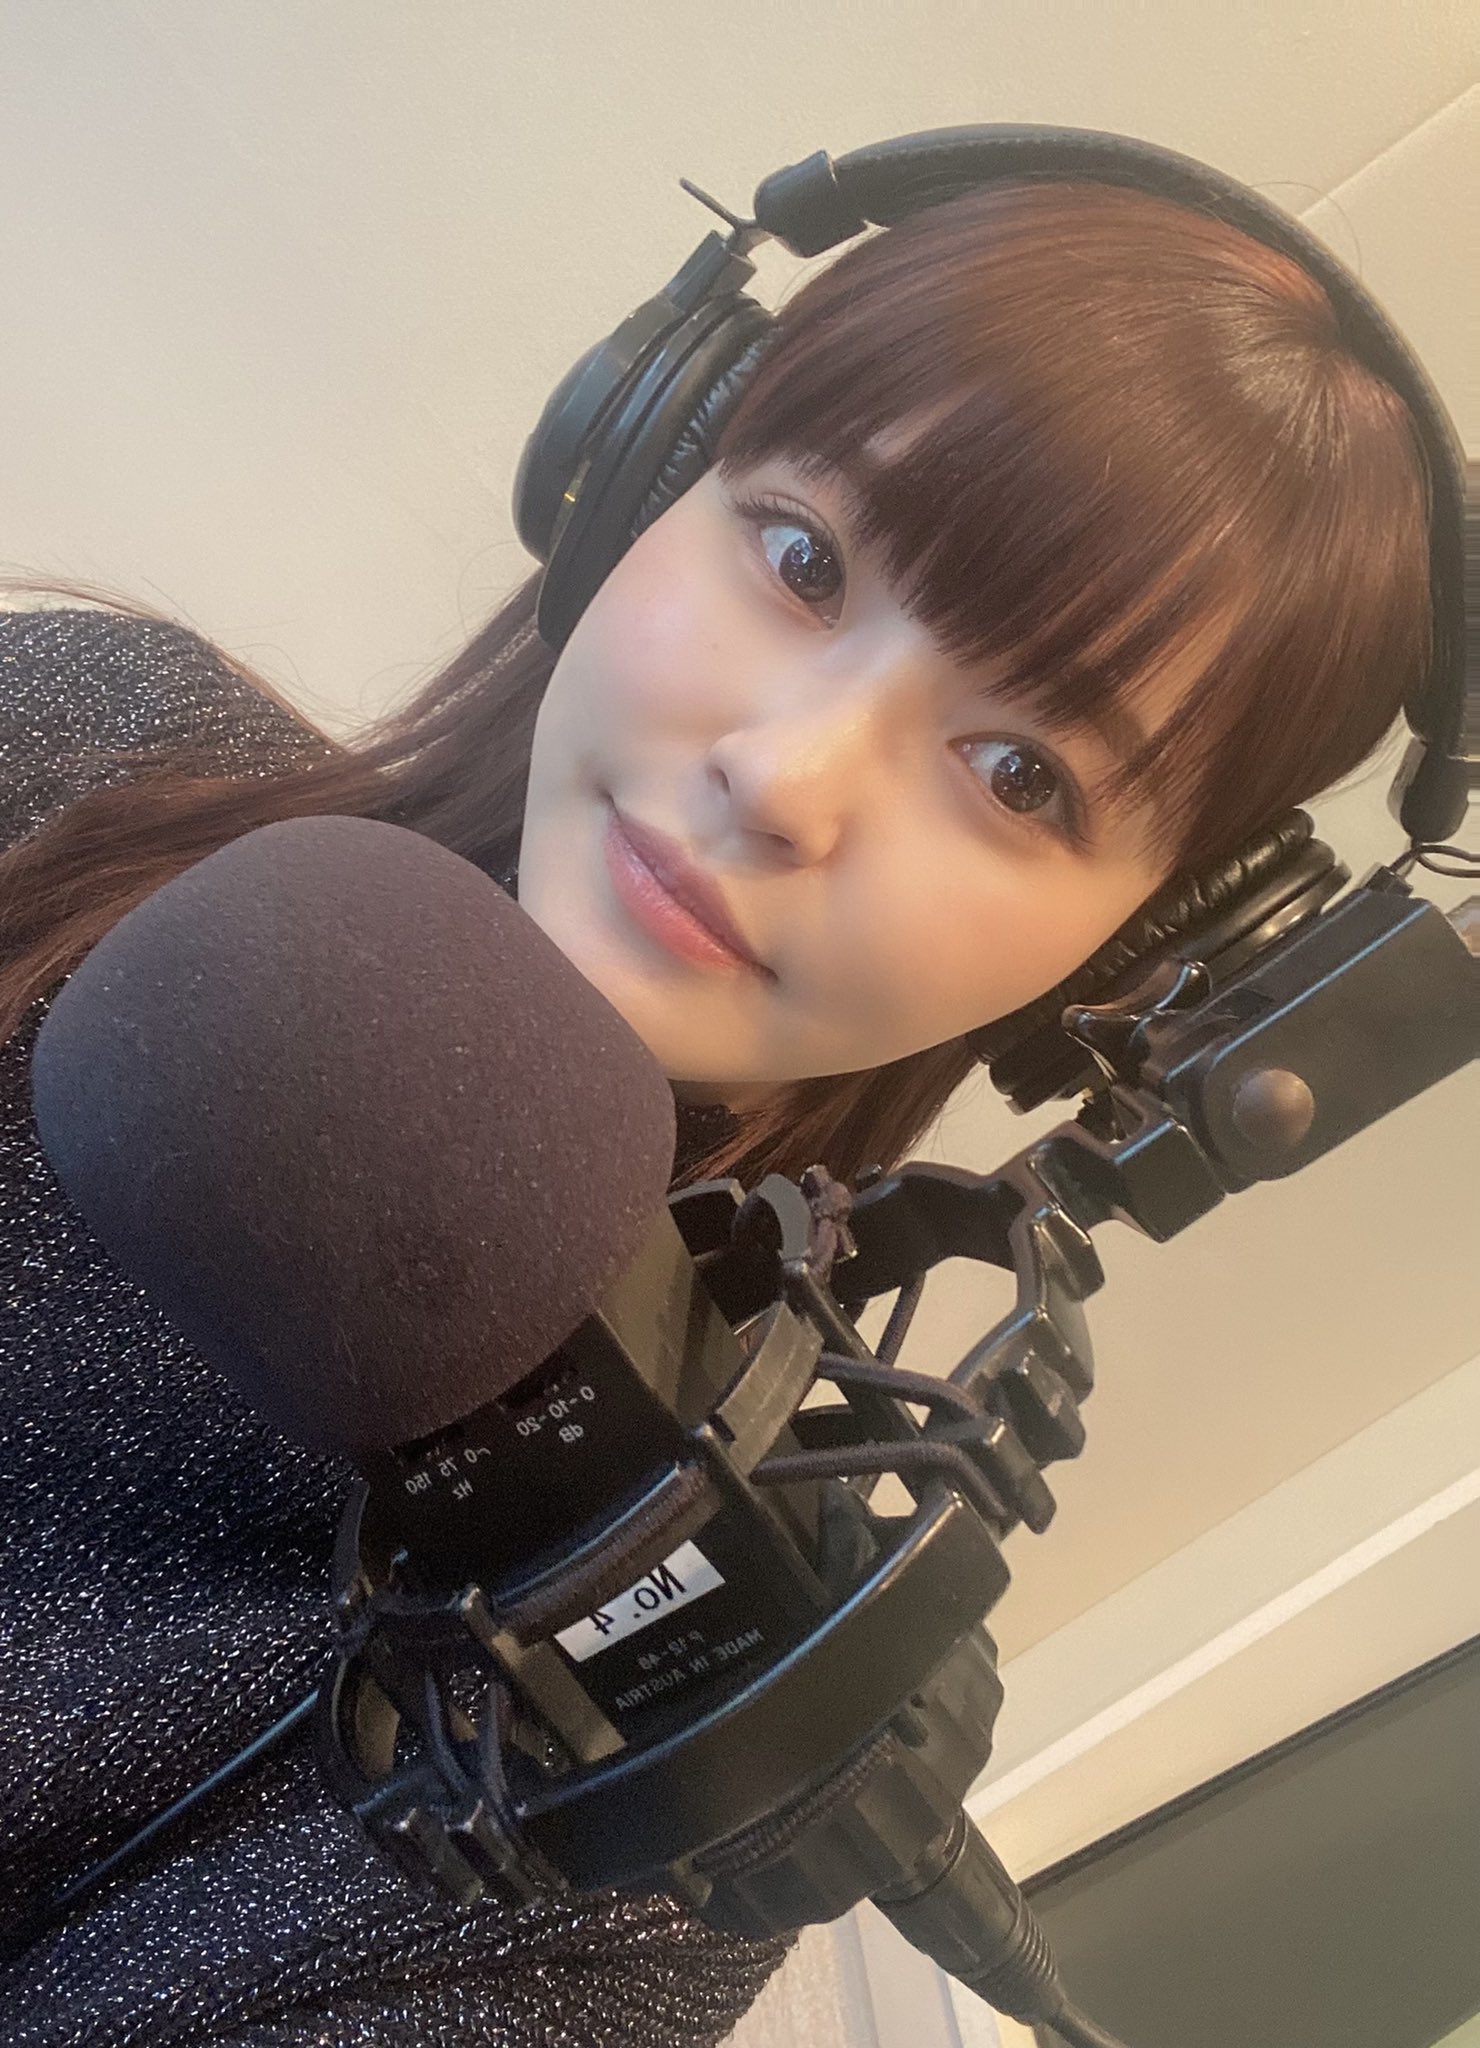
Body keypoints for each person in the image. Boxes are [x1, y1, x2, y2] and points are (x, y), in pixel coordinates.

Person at [0, 162, 1435, 2043]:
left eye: (1020, 771)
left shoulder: (648, 1764)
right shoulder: (69, 738)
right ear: (640, 471)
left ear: (1126, 955)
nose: (786, 778)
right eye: (805, 560)